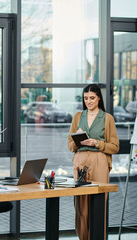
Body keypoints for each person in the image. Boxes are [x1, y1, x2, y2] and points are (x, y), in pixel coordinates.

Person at [67, 83, 119, 240]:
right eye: (85, 98)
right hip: (80, 161)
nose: (88, 101)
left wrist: (96, 143)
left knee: (98, 204)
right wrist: (78, 141)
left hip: (99, 161)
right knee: (81, 206)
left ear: (98, 99)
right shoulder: (78, 117)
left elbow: (115, 147)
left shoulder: (107, 118)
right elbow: (70, 145)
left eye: (92, 98)